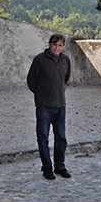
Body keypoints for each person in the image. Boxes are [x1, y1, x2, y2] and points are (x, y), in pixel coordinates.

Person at [27, 34, 71, 180]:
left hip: (60, 105)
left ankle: (60, 166)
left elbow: (66, 79)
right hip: (44, 106)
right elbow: (31, 81)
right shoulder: (40, 60)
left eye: (60, 45)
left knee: (61, 138)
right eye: (54, 44)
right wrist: (41, 95)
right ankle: (47, 168)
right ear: (49, 44)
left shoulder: (66, 60)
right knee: (43, 138)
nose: (57, 48)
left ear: (63, 46)